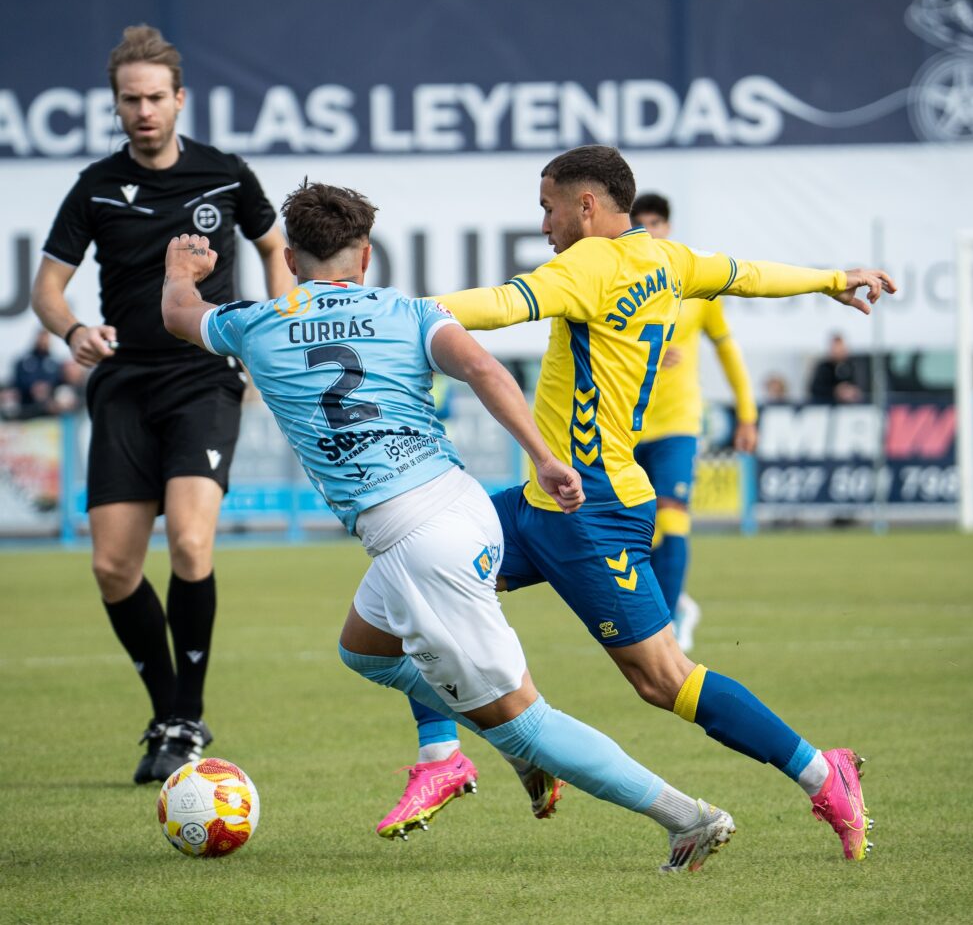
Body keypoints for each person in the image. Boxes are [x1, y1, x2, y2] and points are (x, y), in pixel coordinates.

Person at [161, 184, 740, 874]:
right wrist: (545, 458)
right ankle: (509, 750)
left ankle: (688, 818)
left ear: (288, 256)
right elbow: (483, 367)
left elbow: (178, 314)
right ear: (366, 256)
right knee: (366, 650)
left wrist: (180, 268)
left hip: (417, 539)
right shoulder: (405, 311)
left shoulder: (254, 322)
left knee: (528, 718)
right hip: (463, 505)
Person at [389, 145, 892, 862]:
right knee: (420, 577)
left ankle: (822, 771)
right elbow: (747, 275)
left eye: (548, 207)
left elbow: (501, 305)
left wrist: (396, 312)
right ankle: (472, 750)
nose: (544, 224)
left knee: (663, 680)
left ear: (586, 206)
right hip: (543, 501)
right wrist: (833, 278)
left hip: (591, 512)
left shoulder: (588, 265)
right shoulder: (667, 258)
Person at [29, 25, 292, 784]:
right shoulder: (96, 185)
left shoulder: (225, 174)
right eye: (129, 100)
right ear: (116, 106)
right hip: (123, 383)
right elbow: (48, 289)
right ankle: (169, 713)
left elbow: (274, 246)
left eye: (154, 98)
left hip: (203, 377)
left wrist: (276, 325)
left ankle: (186, 716)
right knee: (113, 566)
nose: (143, 111)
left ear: (179, 99)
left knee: (189, 544)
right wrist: (74, 328)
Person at [630, 193, 759, 652]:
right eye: (640, 222)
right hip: (625, 426)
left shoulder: (694, 285)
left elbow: (727, 349)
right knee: (639, 528)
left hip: (678, 421)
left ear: (668, 225)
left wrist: (748, 411)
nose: (650, 229)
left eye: (656, 222)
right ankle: (678, 603)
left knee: (674, 514)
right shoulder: (622, 281)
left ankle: (663, 629)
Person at [11, 329, 64, 419]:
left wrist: (48, 388)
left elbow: (59, 382)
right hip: (27, 408)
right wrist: (32, 387)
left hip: (50, 412)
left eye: (46, 339)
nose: (43, 342)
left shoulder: (55, 363)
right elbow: (17, 381)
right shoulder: (24, 361)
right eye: (41, 338)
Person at [808, 333, 867, 404]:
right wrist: (835, 391)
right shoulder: (824, 368)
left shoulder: (852, 366)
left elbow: (862, 387)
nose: (838, 351)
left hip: (851, 410)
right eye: (836, 348)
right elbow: (815, 389)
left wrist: (851, 391)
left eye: (840, 348)